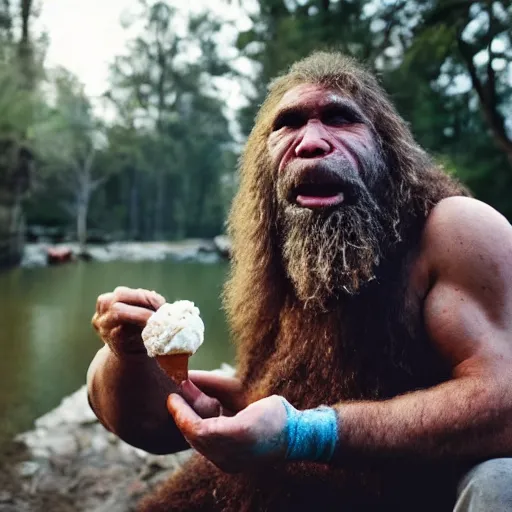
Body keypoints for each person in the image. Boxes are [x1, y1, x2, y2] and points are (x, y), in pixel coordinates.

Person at [87, 52, 512, 511]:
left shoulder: (452, 228)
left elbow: (505, 403)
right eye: (288, 124)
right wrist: (127, 354)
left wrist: (304, 432)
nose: (311, 142)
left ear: (389, 151)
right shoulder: (275, 258)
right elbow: (145, 429)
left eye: (339, 118)